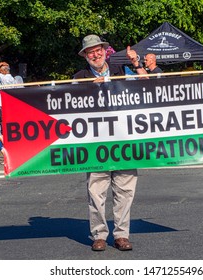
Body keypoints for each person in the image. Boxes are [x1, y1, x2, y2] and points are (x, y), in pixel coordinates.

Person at [73, 34, 141, 251]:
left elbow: (149, 88)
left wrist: (137, 64)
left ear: (105, 51)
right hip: (95, 145)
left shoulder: (122, 71)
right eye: (90, 51)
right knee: (96, 193)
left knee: (125, 192)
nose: (96, 54)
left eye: (98, 49)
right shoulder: (79, 77)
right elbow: (68, 107)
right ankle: (99, 235)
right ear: (85, 56)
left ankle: (121, 235)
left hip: (124, 143)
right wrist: (86, 90)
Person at [0, 61, 15, 130]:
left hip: (2, 102)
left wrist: (1, 63)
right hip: (9, 102)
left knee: (3, 119)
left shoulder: (4, 78)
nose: (0, 73)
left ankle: (4, 133)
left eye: (0, 71)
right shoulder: (12, 79)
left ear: (4, 71)